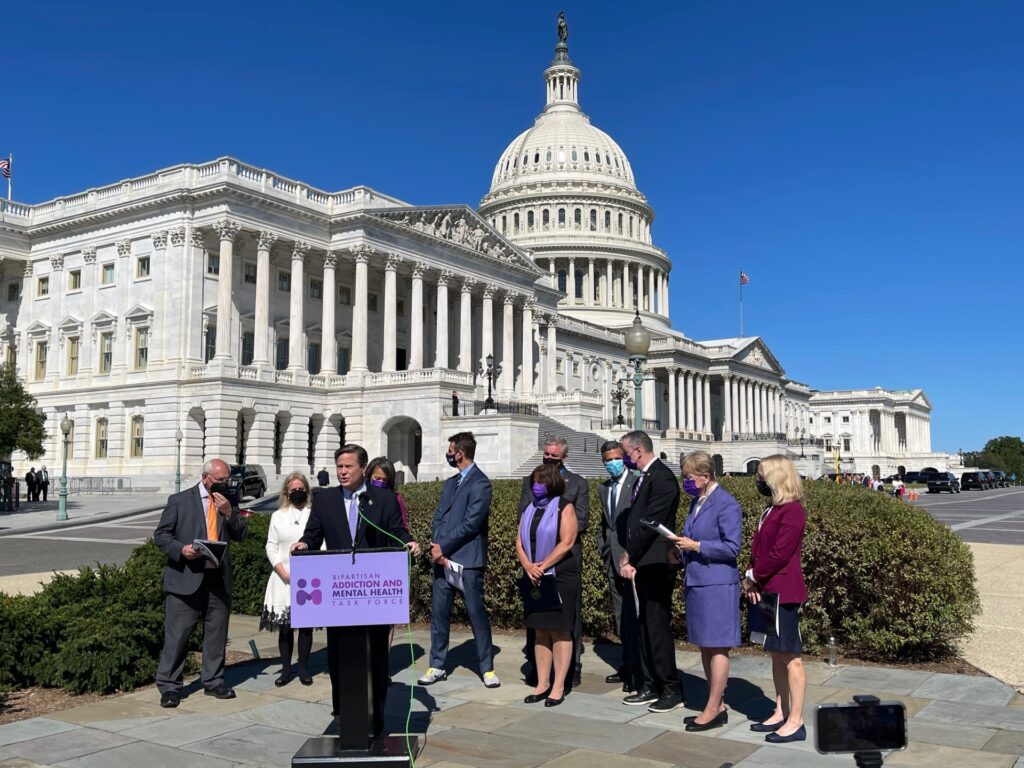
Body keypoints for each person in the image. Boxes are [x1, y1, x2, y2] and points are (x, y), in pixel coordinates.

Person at [292, 444, 416, 742]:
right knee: (339, 656)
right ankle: (343, 712)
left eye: (348, 466)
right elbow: (313, 535)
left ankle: (377, 716)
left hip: (371, 595)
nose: (343, 472)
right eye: (339, 467)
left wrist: (410, 543)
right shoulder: (326, 500)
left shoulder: (383, 500)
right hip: (338, 597)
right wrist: (304, 545)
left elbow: (396, 533)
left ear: (362, 467)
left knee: (375, 657)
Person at [153, 458, 247, 708]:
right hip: (186, 578)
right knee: (178, 635)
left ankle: (214, 681)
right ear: (206, 478)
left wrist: (229, 513)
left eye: (226, 480)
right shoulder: (180, 501)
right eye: (219, 480)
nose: (224, 484)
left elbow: (241, 534)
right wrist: (181, 549)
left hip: (218, 579)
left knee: (216, 634)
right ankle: (170, 686)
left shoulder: (228, 500)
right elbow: (161, 535)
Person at [667, 451, 742, 731]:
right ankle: (715, 703)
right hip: (697, 580)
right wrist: (679, 552)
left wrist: (696, 546)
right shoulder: (696, 502)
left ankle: (713, 706)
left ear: (705, 476)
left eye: (688, 477)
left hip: (717, 583)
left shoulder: (726, 504)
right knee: (705, 644)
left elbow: (732, 547)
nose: (685, 482)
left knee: (717, 644)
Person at [419, 432, 499, 689]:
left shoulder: (481, 484)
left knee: (476, 613)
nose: (449, 454)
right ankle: (437, 664)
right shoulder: (451, 483)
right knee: (440, 614)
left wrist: (444, 546)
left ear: (460, 453)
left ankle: (487, 667)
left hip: (467, 561)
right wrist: (436, 547)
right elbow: (440, 516)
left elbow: (471, 524)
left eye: (451, 450)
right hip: (442, 560)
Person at [743, 454, 808, 743]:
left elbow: (779, 555)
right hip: (767, 589)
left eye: (761, 475)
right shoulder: (771, 509)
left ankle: (796, 719)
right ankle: (780, 710)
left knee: (790, 656)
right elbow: (759, 549)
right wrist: (752, 575)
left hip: (783, 590)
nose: (758, 481)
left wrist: (753, 575)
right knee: (776, 653)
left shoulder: (792, 512)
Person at [619, 430, 683, 713]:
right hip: (643, 561)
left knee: (656, 626)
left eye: (625, 453)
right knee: (644, 623)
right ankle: (649, 684)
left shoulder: (663, 478)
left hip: (656, 561)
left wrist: (629, 553)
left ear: (637, 450)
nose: (623, 458)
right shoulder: (645, 476)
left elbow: (650, 523)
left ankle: (670, 687)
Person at [519, 436, 589, 686]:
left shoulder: (577, 483)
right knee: (536, 618)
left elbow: (581, 520)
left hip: (562, 560)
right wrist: (530, 562)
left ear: (564, 459)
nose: (549, 458)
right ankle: (538, 670)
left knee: (566, 619)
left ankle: (573, 667)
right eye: (546, 454)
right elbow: (523, 516)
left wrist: (553, 526)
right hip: (533, 560)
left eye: (554, 456)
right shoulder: (532, 481)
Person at [517, 463, 578, 707]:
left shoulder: (565, 507)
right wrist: (528, 566)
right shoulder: (528, 508)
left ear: (551, 483)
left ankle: (558, 685)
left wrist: (542, 566)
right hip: (533, 575)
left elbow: (567, 541)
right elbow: (519, 542)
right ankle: (542, 683)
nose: (536, 486)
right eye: (534, 482)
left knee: (560, 630)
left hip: (558, 574)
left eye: (541, 482)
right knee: (540, 630)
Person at [261, 471, 316, 687]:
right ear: (286, 492)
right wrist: (281, 569)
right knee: (285, 627)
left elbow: (321, 543)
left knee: (306, 627)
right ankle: (285, 670)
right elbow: (271, 545)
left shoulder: (314, 514)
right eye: (294, 490)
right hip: (283, 577)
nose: (298, 493)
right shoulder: (278, 516)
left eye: (301, 489)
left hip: (309, 578)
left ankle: (303, 669)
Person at [597, 439, 642, 693]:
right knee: (620, 615)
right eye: (608, 460)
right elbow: (606, 523)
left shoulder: (636, 483)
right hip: (612, 558)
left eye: (616, 458)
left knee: (636, 615)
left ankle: (638, 669)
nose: (613, 463)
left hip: (632, 559)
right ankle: (627, 664)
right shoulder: (603, 488)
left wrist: (632, 555)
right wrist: (604, 546)